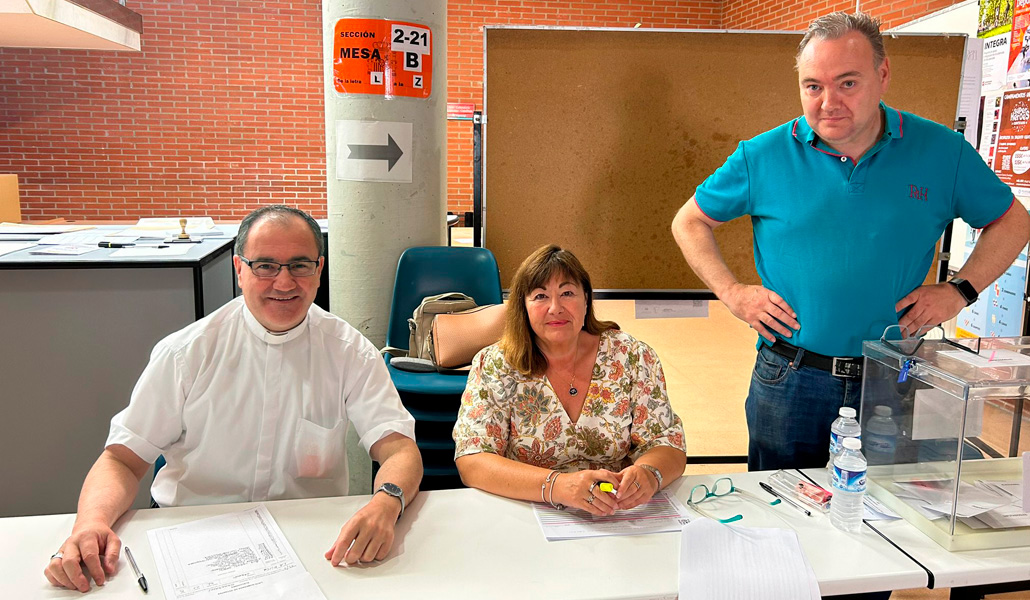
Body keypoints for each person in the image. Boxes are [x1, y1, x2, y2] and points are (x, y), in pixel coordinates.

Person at [671, 12, 1030, 473]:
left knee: (888, 507)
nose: (828, 103)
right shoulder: (762, 156)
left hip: (893, 378)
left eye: (847, 83)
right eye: (813, 86)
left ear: (883, 75)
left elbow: (1013, 221)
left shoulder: (942, 152)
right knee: (781, 507)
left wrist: (960, 290)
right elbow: (690, 222)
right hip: (790, 378)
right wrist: (733, 292)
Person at [45, 205, 423, 593]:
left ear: (319, 270)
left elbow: (399, 450)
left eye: (299, 265)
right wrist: (91, 523)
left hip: (310, 544)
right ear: (239, 269)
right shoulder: (186, 354)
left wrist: (387, 501)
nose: (284, 282)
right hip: (191, 539)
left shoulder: (349, 352)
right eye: (265, 266)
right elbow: (122, 460)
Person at [452, 245, 686, 515]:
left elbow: (667, 442)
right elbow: (472, 460)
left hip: (616, 513)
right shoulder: (496, 364)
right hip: (526, 511)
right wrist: (557, 486)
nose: (555, 308)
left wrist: (649, 474)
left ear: (586, 300)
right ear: (523, 307)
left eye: (567, 293)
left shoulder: (630, 356)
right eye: (541, 296)